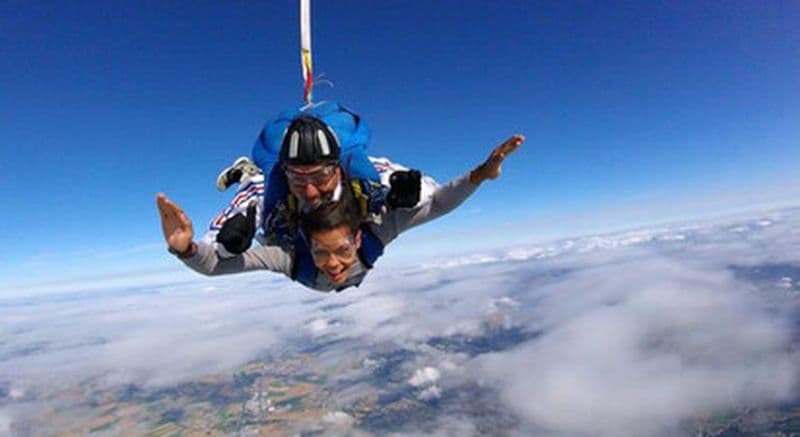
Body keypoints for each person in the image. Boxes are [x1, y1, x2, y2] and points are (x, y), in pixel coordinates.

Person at [156, 134, 524, 292]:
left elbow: (439, 202)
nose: (332, 264)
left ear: (358, 238)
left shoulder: (378, 226)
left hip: (348, 184)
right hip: (274, 203)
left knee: (400, 193)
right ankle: (250, 175)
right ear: (306, 245)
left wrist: (482, 173)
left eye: (342, 250)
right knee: (248, 215)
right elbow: (215, 264)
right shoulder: (286, 254)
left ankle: (278, 175)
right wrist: (186, 248)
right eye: (320, 252)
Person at [205, 105, 431, 258]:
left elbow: (431, 190)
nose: (310, 191)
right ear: (285, 172)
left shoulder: (367, 172)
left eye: (320, 176)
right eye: (297, 177)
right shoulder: (265, 189)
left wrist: (408, 198)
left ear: (338, 168)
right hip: (293, 230)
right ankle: (245, 173)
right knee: (259, 184)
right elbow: (208, 244)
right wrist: (227, 246)